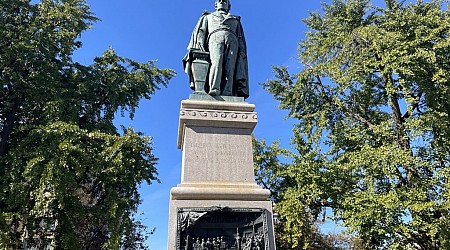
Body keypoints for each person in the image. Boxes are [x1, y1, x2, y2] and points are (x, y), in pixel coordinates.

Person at [183, 0, 249, 98]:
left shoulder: (235, 19)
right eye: (219, 1)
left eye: (225, 1)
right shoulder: (208, 17)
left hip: (232, 41)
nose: (222, 2)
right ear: (216, 5)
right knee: (216, 62)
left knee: (230, 66)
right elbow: (201, 31)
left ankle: (228, 91)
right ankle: (214, 88)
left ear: (228, 6)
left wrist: (242, 50)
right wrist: (200, 43)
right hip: (214, 38)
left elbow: (240, 37)